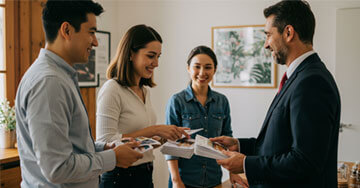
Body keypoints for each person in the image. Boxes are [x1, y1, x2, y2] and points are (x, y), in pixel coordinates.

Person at [210, 1, 341, 188]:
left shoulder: (312, 82)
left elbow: (305, 161)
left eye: (269, 35)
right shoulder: (300, 77)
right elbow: (278, 144)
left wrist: (246, 164)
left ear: (288, 33)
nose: (266, 45)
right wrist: (239, 145)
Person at [15, 1, 143, 187]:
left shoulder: (60, 77)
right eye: (91, 32)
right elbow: (57, 168)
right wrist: (112, 158)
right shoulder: (50, 82)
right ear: (66, 30)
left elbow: (72, 145)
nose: (96, 42)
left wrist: (105, 147)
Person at [96, 24, 189, 188]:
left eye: (158, 56)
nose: (156, 63)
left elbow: (141, 142)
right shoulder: (112, 89)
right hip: (120, 178)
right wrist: (155, 129)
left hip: (145, 175)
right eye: (151, 56)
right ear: (131, 54)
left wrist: (165, 137)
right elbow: (105, 142)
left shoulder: (144, 91)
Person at [165, 46, 233, 188]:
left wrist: (233, 172)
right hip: (184, 181)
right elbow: (170, 144)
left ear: (214, 69)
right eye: (197, 67)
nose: (202, 72)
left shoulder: (222, 101)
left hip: (213, 179)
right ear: (188, 68)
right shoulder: (177, 101)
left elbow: (228, 139)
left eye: (208, 67)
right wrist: (176, 181)